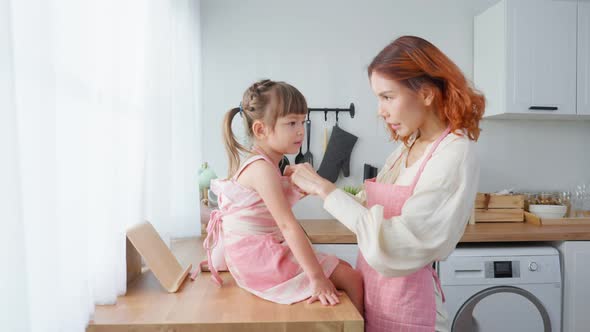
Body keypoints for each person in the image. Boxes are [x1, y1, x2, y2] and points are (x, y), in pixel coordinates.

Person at [286, 36, 485, 331]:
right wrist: (319, 191)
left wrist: (326, 190)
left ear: (427, 93)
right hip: (378, 298)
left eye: (388, 97)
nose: (380, 110)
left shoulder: (454, 152)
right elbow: (373, 212)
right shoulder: (408, 146)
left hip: (412, 310)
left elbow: (397, 242)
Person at [200, 79, 363, 312]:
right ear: (260, 129)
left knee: (344, 267)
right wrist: (316, 279)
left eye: (303, 121)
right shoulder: (263, 169)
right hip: (258, 260)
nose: (300, 130)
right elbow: (287, 225)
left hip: (250, 255)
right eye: (291, 123)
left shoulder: (265, 165)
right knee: (352, 278)